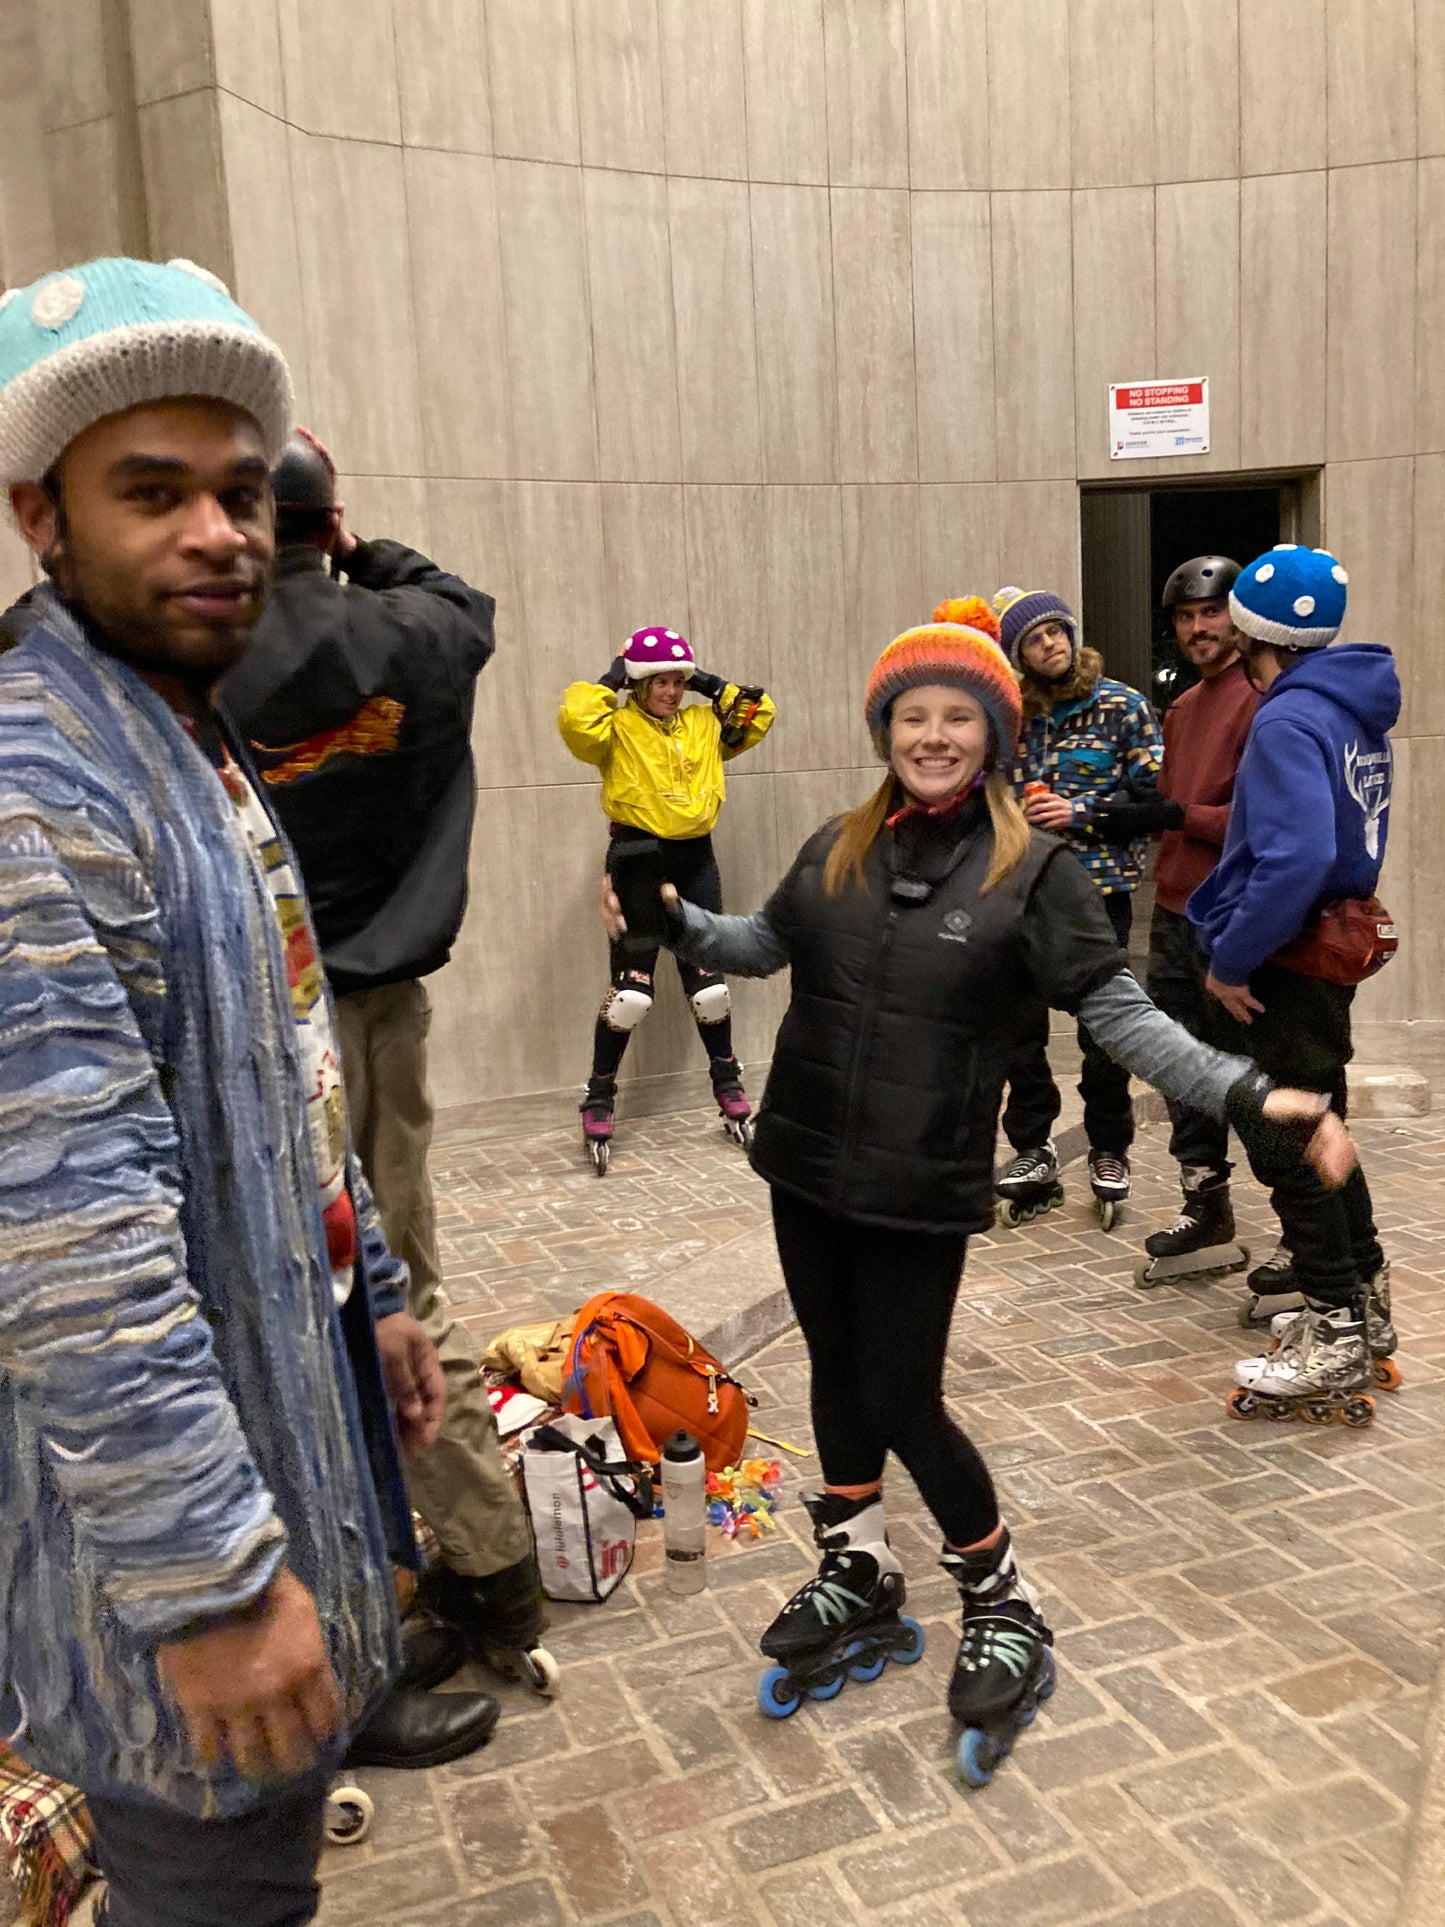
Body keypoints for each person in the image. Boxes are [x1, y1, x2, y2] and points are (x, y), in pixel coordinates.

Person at [603, 598, 1352, 1782]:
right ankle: (856, 1558)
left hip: (917, 1179)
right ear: (885, 727)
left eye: (959, 716)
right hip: (802, 1165)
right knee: (835, 1374)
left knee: (903, 1394)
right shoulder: (835, 847)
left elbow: (1118, 1017)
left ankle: (999, 1592)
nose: (934, 734)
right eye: (913, 714)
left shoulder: (1035, 871)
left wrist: (1254, 1095)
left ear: (994, 735)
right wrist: (677, 918)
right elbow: (757, 945)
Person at [0, 256, 483, 1927]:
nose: (217, 532)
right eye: (153, 493)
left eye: (237, 490)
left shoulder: (183, 736)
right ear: (38, 514)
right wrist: (210, 1584)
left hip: (293, 1420)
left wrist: (385, 1296)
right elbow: (72, 1248)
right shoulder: (36, 785)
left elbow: (291, 1067)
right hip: (162, 1590)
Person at [223, 433, 556, 1701]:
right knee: (400, 1286)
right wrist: (363, 549)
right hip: (382, 1012)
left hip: (257, 1033)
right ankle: (486, 1564)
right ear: (335, 522)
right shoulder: (414, 634)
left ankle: (380, 1579)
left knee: (292, 1310)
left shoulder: (199, 655)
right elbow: (463, 603)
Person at [1188, 545, 1400, 1417]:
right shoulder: (1348, 706)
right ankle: (1365, 1297)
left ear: (1248, 629)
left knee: (1286, 1139)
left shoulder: (1284, 718)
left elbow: (1297, 855)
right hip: (1325, 952)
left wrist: (1231, 961)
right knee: (1324, 1126)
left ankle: (1334, 1328)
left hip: (1284, 958)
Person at [1091, 557, 1268, 1292]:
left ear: (1239, 617)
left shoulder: (1263, 702)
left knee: (1250, 1076)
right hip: (1170, 914)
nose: (1198, 627)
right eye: (1184, 618)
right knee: (1177, 1069)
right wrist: (1127, 803)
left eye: (1211, 612)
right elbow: (1168, 800)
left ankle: (1299, 1233)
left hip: (1231, 921)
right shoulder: (1183, 707)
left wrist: (1173, 814)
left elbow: (1261, 825)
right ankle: (1206, 1204)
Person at [559, 626, 775, 1171]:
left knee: (709, 987)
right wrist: (614, 677)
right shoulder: (616, 726)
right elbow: (577, 725)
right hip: (637, 856)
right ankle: (599, 1095)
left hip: (695, 858)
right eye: (660, 680)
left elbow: (757, 713)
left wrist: (704, 678)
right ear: (638, 682)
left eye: (679, 681)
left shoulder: (705, 724)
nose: (672, 690)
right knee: (633, 991)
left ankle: (728, 1084)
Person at [991, 589, 1163, 1226]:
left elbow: (1157, 801)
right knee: (1020, 1032)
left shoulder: (1122, 705)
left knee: (1104, 1033)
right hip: (1022, 893)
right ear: (1022, 655)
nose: (1050, 644)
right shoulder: (1011, 717)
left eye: (1055, 631)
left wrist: (1082, 813)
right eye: (1034, 640)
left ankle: (1108, 1149)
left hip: (1099, 896)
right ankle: (1033, 1151)